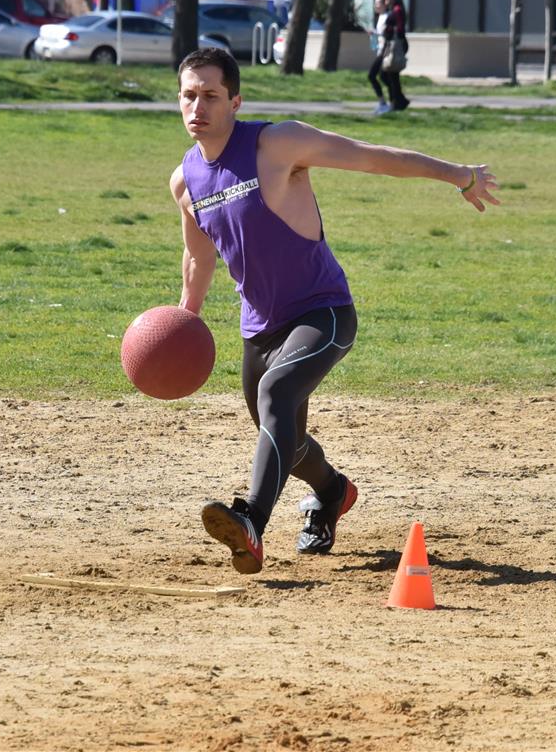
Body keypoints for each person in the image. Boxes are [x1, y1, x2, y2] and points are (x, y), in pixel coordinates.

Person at [170, 48, 499, 575]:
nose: (198, 106)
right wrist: (183, 323)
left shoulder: (277, 143)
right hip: (259, 329)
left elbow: (371, 156)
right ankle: (332, 493)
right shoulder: (186, 181)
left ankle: (250, 522)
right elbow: (198, 255)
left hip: (321, 313)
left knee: (278, 395)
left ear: (236, 100)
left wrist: (457, 174)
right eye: (189, 95)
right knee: (283, 438)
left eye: (211, 95)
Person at [380, 0, 410, 111]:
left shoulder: (397, 10)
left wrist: (388, 29)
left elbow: (400, 29)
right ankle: (399, 101)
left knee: (387, 74)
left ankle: (398, 101)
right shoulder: (394, 9)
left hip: (395, 46)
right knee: (391, 76)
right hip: (392, 44)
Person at [367, 0, 391, 115]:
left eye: (378, 3)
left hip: (384, 52)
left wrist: (375, 33)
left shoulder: (387, 17)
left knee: (372, 75)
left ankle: (384, 103)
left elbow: (387, 35)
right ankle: (389, 103)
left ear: (384, 4)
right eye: (375, 3)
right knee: (383, 77)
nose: (376, 5)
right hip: (380, 50)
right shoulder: (380, 17)